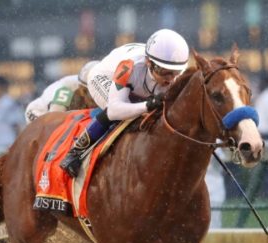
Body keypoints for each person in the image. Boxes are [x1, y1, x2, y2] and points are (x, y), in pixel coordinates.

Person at [60, 28, 189, 177]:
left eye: (176, 72)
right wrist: (147, 105)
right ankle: (75, 152)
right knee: (122, 113)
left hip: (136, 87)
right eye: (165, 72)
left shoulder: (173, 74)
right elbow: (115, 109)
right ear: (149, 62)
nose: (171, 79)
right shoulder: (129, 66)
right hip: (105, 78)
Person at [25, 60, 100, 123]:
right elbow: (54, 123)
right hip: (40, 112)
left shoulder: (86, 84)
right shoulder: (67, 89)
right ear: (82, 90)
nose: (98, 101)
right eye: (94, 95)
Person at [0, 75, 25, 152]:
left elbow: (17, 126)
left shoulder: (9, 103)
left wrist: (20, 145)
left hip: (6, 145)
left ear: (1, 87)